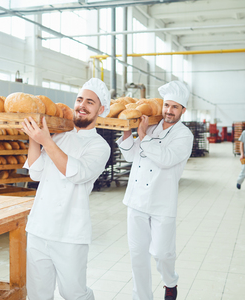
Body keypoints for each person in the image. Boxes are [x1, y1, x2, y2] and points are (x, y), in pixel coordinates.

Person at [21, 78, 111, 300]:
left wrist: (46, 141)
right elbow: (36, 172)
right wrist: (34, 138)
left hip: (70, 233)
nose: (82, 105)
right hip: (39, 228)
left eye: (90, 102)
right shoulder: (59, 136)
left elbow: (76, 173)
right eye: (79, 99)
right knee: (37, 294)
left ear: (101, 109)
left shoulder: (99, 146)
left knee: (73, 293)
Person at [117, 80, 194, 300]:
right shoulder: (149, 126)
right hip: (136, 200)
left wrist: (142, 136)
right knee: (137, 256)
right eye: (167, 105)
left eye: (175, 107)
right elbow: (131, 156)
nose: (169, 111)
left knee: (162, 253)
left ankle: (170, 281)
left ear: (183, 110)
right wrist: (126, 134)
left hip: (162, 202)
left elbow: (166, 159)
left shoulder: (184, 135)